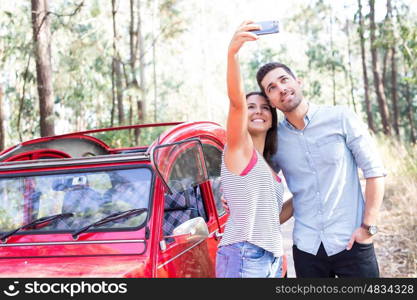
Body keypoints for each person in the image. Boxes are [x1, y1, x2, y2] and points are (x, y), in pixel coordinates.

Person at [254, 58, 386, 276]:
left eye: (284, 80)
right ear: (271, 101)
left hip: (352, 244)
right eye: (272, 88)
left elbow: (375, 171)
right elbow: (257, 181)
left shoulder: (340, 117)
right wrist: (231, 190)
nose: (282, 89)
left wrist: (368, 228)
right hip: (307, 250)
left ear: (298, 81)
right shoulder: (275, 140)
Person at [216, 21, 292, 278]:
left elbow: (272, 217)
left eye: (264, 106)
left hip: (270, 257)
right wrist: (232, 54)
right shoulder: (239, 148)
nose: (258, 110)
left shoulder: (268, 164)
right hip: (244, 254)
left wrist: (308, 194)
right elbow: (235, 104)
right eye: (251, 106)